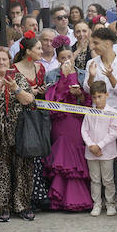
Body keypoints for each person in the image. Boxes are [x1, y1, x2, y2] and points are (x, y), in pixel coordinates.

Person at [0, 46, 39, 223]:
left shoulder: (19, 78)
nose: (1, 62)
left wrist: (16, 89)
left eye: (4, 59)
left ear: (10, 62)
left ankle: (22, 206)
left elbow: (31, 102)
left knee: (23, 170)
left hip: (20, 133)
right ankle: (2, 207)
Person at [44, 46, 95, 212]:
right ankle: (60, 198)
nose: (66, 60)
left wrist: (79, 94)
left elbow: (88, 101)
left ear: (74, 57)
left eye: (69, 56)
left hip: (77, 121)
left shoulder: (82, 74)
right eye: (62, 57)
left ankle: (79, 198)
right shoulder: (52, 75)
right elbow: (53, 100)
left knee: (76, 156)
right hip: (60, 122)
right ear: (58, 59)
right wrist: (64, 80)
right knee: (62, 157)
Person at [80, 80, 117, 216]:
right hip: (91, 152)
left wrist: (100, 145)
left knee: (108, 180)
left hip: (107, 152)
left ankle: (110, 204)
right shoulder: (89, 112)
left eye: (100, 96)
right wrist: (91, 145)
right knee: (95, 179)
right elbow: (84, 130)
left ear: (106, 95)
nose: (97, 100)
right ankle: (96, 204)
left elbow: (114, 132)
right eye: (94, 97)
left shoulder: (112, 112)